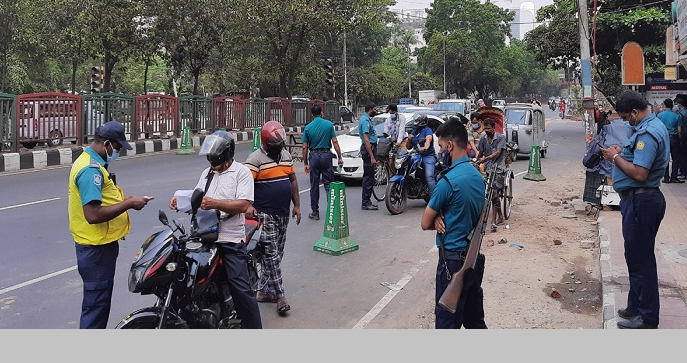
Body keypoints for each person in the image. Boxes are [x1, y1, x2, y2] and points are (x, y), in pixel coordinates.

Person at [169, 130, 262, 328]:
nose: (212, 163)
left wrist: (215, 204)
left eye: (215, 158)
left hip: (230, 240)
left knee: (241, 289)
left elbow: (243, 205)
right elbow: (198, 198)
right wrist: (180, 202)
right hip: (204, 236)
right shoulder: (207, 173)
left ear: (226, 155)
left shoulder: (241, 173)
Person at [68, 120, 153, 329]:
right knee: (96, 309)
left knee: (98, 305)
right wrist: (129, 204)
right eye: (117, 148)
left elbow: (103, 199)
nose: (118, 153)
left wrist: (125, 199)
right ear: (106, 143)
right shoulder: (91, 170)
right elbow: (93, 214)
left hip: (96, 246)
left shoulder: (90, 160)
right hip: (96, 250)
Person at [600, 90, 669, 329]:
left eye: (626, 117)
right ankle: (635, 305)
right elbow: (637, 157)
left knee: (642, 261)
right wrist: (622, 152)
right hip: (639, 201)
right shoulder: (647, 127)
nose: (626, 122)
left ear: (635, 112)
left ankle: (648, 317)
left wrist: (614, 158)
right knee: (635, 256)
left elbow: (640, 173)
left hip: (642, 201)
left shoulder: (648, 133)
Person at [420, 117, 486, 329]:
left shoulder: (447, 182)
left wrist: (437, 216)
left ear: (450, 145)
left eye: (440, 146)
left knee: (447, 326)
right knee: (475, 322)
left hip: (452, 263)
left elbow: (424, 223)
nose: (440, 152)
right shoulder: (477, 177)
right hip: (473, 261)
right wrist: (442, 214)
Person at [245, 121, 301, 315]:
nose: (280, 149)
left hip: (283, 213)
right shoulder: (254, 159)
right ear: (266, 143)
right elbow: (245, 186)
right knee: (271, 255)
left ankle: (263, 292)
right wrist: (249, 207)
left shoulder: (285, 156)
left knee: (278, 254)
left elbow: (293, 180)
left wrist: (297, 206)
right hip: (264, 214)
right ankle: (280, 296)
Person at [301, 105, 344, 220]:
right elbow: (335, 142)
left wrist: (305, 163)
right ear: (321, 113)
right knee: (328, 184)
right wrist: (339, 157)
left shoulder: (308, 127)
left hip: (314, 156)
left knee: (314, 185)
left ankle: (315, 212)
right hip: (326, 155)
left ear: (312, 114)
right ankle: (333, 211)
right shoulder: (329, 125)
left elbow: (305, 147)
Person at [476, 118, 506, 230]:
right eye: (485, 128)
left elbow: (498, 153)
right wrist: (477, 161)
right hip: (488, 169)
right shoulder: (483, 139)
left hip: (498, 168)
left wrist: (485, 159)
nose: (487, 130)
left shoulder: (501, 138)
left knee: (493, 193)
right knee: (490, 192)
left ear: (494, 128)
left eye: (489, 128)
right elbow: (480, 152)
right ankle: (501, 217)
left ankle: (493, 220)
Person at [406, 114, 437, 194]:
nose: (415, 123)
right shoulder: (414, 132)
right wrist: (409, 140)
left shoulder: (427, 130)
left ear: (422, 122)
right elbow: (408, 147)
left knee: (429, 176)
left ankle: (434, 198)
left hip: (428, 156)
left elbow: (428, 139)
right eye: (415, 121)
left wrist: (425, 147)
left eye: (417, 121)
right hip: (417, 155)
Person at [656, 98, 683, 183]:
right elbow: (679, 130)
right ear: (672, 105)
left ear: (664, 105)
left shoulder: (660, 116)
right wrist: (681, 140)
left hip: (664, 138)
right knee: (676, 158)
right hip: (674, 138)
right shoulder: (677, 116)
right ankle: (674, 177)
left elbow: (657, 128)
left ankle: (666, 178)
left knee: (665, 158)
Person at [359, 103, 379, 210]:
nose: (375, 111)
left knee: (369, 175)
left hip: (369, 149)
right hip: (368, 150)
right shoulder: (365, 121)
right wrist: (371, 156)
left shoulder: (366, 119)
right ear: (370, 109)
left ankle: (367, 200)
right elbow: (366, 139)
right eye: (374, 109)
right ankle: (366, 202)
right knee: (368, 176)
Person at [675, 96, 687, 179]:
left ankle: (683, 172)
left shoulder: (681, 114)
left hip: (683, 135)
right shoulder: (685, 111)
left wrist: (680, 138)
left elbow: (680, 127)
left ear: (679, 105)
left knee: (682, 154)